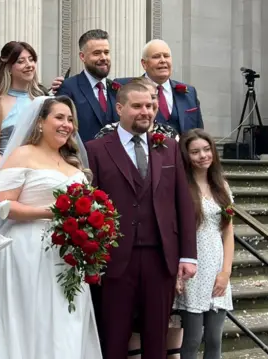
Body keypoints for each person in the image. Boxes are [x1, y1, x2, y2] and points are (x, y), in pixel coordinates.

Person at [0, 95, 102, 359]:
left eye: (70, 119)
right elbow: (2, 205)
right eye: (59, 117)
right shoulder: (23, 155)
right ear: (39, 123)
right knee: (32, 318)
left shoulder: (72, 164)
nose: (66, 124)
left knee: (65, 320)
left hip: (67, 254)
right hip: (27, 249)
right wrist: (52, 213)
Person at [86, 83, 197, 359]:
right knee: (114, 338)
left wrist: (188, 255)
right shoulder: (96, 149)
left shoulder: (169, 147)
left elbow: (182, 202)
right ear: (120, 108)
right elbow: (90, 205)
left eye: (149, 105)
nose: (145, 112)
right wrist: (93, 257)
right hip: (114, 259)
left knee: (157, 340)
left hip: (161, 258)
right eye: (137, 106)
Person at [175, 129, 234, 359]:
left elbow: (228, 232)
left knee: (214, 340)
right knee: (191, 341)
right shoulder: (182, 188)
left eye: (207, 149)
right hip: (193, 268)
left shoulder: (222, 186)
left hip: (217, 268)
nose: (203, 156)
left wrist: (226, 272)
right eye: (195, 152)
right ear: (186, 156)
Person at [117, 39, 203, 135]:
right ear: (144, 64)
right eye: (156, 56)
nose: (163, 60)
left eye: (166, 56)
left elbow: (198, 133)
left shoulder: (189, 93)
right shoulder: (125, 87)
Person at [0, 41, 46, 171]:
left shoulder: (42, 100)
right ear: (9, 68)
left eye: (31, 59)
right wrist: (7, 178)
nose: (29, 65)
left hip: (40, 172)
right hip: (8, 172)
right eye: (21, 61)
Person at [54, 29, 120, 142]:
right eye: (97, 53)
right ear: (82, 56)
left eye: (106, 52)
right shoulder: (68, 87)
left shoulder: (117, 89)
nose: (103, 57)